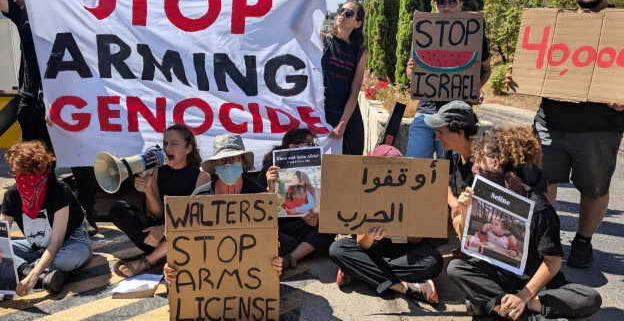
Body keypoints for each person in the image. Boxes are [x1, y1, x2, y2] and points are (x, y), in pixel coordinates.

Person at [505, 0, 624, 268]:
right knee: (541, 183)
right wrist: (519, 77)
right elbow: (535, 65)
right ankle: (544, 238)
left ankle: (583, 242)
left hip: (600, 129)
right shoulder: (555, 27)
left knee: (594, 189)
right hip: (549, 123)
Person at [448, 126, 602, 320]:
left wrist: (523, 297)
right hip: (500, 277)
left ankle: (508, 307)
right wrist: (464, 210)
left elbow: (552, 263)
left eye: (478, 161)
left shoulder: (537, 207)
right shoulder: (477, 193)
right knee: (456, 268)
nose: (473, 167)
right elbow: (464, 240)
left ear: (495, 163)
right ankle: (519, 311)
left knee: (589, 298)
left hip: (536, 285)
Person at [329, 145, 443, 304]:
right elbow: (362, 244)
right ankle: (405, 288)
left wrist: (404, 229)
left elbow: (416, 239)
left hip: (404, 252)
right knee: (337, 249)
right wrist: (370, 236)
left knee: (433, 261)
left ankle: (358, 271)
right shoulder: (366, 189)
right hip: (373, 250)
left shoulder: (414, 189)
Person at [164, 133, 282, 281]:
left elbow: (266, 240)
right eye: (222, 161)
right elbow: (186, 240)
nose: (228, 164)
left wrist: (272, 262)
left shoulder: (258, 195)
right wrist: (172, 265)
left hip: (248, 277)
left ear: (243, 163)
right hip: (209, 276)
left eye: (234, 159)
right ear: (214, 165)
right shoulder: (200, 197)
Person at [109, 124, 210, 278]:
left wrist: (162, 229)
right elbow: (157, 213)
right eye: (165, 144)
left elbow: (194, 218)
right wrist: (148, 190)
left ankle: (153, 258)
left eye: (174, 144)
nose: (167, 149)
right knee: (119, 209)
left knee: (190, 231)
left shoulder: (201, 177)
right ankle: (166, 253)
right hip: (158, 237)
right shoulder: (157, 170)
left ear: (188, 149)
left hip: (185, 234)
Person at [405, 0, 491, 159]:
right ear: (435, 6)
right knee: (414, 166)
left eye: (452, 2)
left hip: (456, 116)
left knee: (450, 174)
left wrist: (473, 88)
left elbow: (486, 69)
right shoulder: (423, 33)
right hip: (426, 111)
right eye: (442, 3)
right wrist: (410, 70)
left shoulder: (476, 36)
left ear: (461, 4)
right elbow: (413, 75)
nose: (446, 7)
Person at [1, 141, 92, 295]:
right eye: (19, 172)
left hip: (70, 242)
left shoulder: (58, 190)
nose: (23, 178)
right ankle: (39, 273)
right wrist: (30, 271)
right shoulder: (12, 195)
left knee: (68, 257)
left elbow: (56, 243)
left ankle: (33, 272)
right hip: (37, 246)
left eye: (29, 173)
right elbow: (2, 237)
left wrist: (33, 274)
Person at [258, 128, 335, 269]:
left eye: (313, 144)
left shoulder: (316, 170)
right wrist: (270, 186)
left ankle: (289, 259)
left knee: (332, 222)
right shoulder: (271, 169)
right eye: (308, 143)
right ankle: (302, 249)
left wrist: (314, 215)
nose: (312, 147)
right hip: (280, 226)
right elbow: (259, 209)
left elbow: (322, 201)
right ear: (293, 146)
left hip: (305, 225)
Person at [1, 0, 53, 152]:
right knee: (35, 164)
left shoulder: (59, 18)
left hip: (59, 103)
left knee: (67, 163)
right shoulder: (22, 19)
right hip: (30, 103)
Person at [424, 101, 478, 241]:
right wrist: (453, 203)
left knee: (457, 220)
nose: (437, 137)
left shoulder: (484, 162)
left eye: (441, 132)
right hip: (466, 209)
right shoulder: (451, 151)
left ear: (460, 132)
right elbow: (441, 182)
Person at [322, 0, 366, 156]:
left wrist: (343, 123)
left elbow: (355, 91)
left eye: (348, 13)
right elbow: (298, 29)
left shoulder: (360, 52)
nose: (342, 14)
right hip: (322, 115)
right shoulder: (323, 41)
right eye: (341, 10)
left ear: (358, 23)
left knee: (350, 169)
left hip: (348, 118)